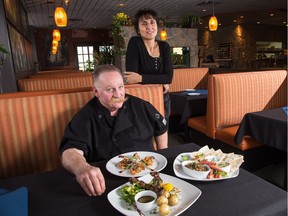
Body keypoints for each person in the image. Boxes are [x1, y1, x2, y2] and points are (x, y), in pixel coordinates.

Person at [59, 64, 168, 196]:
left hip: (150, 175)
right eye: (110, 89)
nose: (118, 94)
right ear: (96, 91)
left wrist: (162, 154)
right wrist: (82, 168)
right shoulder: (86, 116)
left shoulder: (140, 105)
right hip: (109, 183)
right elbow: (70, 151)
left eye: (121, 87)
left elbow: (161, 127)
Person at [125, 9, 174, 122]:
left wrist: (141, 77)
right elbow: (132, 78)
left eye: (152, 22)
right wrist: (160, 82)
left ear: (157, 25)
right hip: (142, 98)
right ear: (138, 29)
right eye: (144, 23)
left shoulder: (164, 46)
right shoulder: (135, 43)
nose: (149, 26)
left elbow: (169, 77)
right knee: (145, 134)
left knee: (163, 131)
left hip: (163, 97)